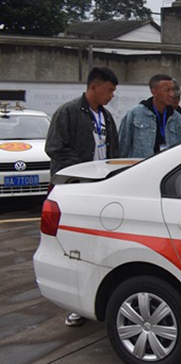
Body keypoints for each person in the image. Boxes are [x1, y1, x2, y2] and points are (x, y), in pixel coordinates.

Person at [45, 66, 120, 327]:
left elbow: (114, 152)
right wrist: (83, 170)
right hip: (75, 189)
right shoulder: (67, 112)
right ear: (94, 87)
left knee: (101, 246)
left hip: (101, 190)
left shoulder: (106, 117)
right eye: (109, 90)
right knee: (73, 247)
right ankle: (75, 305)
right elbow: (54, 147)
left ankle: (97, 298)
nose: (111, 95)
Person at [119, 74, 181, 158]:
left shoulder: (176, 118)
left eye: (172, 90)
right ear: (154, 92)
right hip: (142, 165)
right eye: (167, 90)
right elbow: (123, 148)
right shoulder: (135, 114)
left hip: (169, 164)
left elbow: (180, 149)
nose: (172, 94)